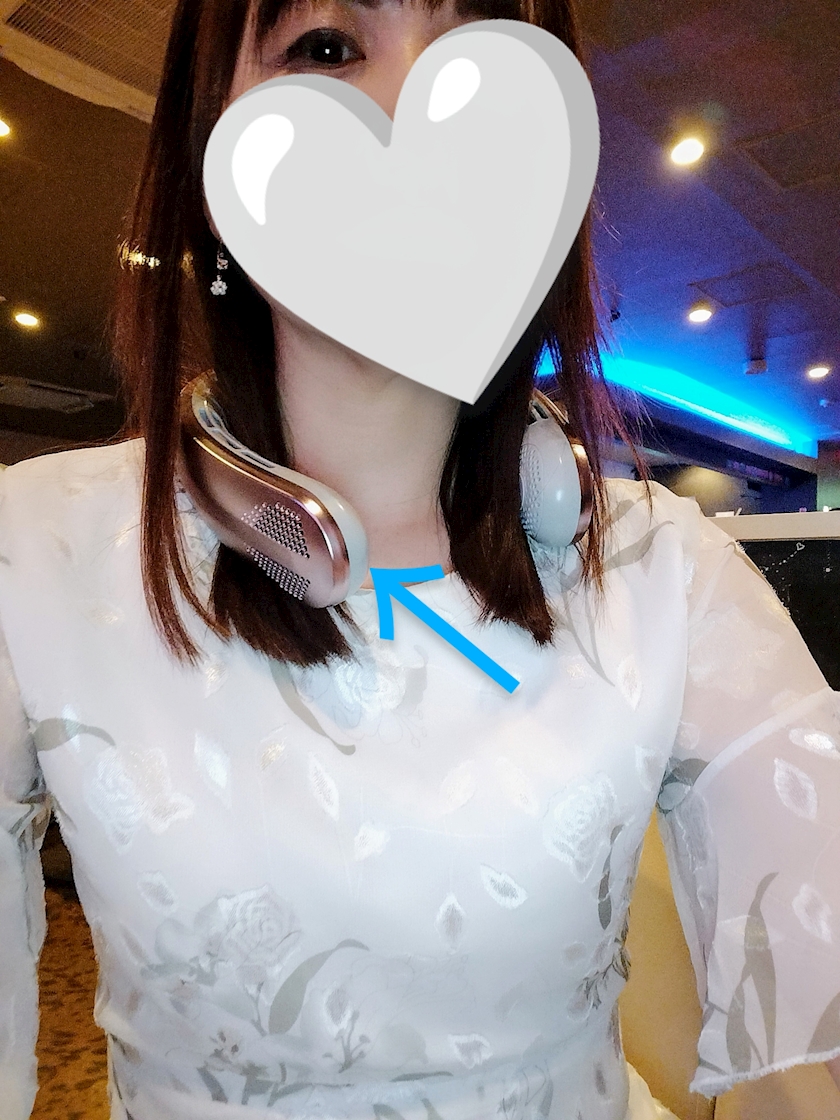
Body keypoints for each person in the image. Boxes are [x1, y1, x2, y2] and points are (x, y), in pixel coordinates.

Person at [1, 1, 839, 1118]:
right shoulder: (33, 552)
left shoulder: (663, 570)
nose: (418, 121)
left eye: (482, 62)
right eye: (328, 47)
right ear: (210, 153)